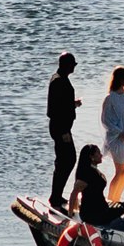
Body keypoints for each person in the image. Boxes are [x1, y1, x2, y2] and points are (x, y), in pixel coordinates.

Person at [46, 50, 81, 209]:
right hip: (61, 129)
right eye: (72, 65)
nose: (74, 68)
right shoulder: (59, 81)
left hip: (62, 128)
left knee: (65, 161)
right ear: (66, 65)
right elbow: (54, 110)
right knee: (66, 161)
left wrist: (72, 104)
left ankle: (56, 195)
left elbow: (61, 105)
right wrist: (64, 132)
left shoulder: (60, 79)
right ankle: (55, 197)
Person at [100, 67, 124, 203]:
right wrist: (118, 132)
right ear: (119, 79)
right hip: (117, 138)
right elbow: (105, 120)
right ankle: (111, 200)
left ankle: (118, 198)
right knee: (120, 171)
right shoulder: (110, 98)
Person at [69, 144, 114, 226]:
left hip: (102, 208)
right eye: (98, 153)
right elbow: (74, 194)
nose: (101, 155)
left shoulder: (94, 170)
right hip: (92, 214)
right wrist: (69, 216)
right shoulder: (86, 174)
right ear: (91, 157)